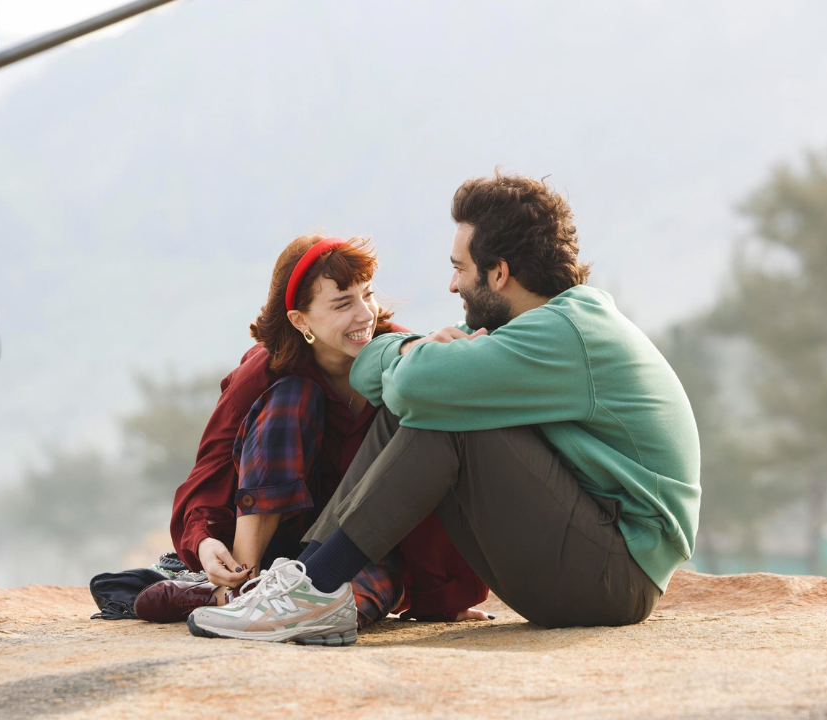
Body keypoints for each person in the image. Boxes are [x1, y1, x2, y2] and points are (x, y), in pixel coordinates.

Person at [187, 172, 702, 645]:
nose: (452, 285)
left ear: (498, 273)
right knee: (429, 403)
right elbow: (383, 378)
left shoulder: (564, 334)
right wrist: (414, 350)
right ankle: (309, 578)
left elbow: (412, 386)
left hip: (618, 576)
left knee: (445, 417)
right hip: (582, 558)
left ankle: (314, 587)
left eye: (460, 269)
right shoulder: (525, 326)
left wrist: (412, 359)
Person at [136, 235, 489, 630]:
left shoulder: (404, 358)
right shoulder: (263, 373)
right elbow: (210, 471)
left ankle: (233, 600)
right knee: (293, 395)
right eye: (342, 304)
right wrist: (204, 541)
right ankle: (242, 586)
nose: (365, 314)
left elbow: (437, 470)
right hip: (274, 543)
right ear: (300, 320)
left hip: (356, 546)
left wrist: (442, 599)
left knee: (344, 608)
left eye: (367, 295)